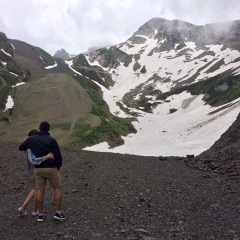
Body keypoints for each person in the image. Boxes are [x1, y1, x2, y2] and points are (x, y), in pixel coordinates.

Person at [19, 121, 65, 222]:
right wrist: (58, 166)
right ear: (48, 129)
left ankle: (40, 214)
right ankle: (58, 213)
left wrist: (30, 144)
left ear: (39, 128)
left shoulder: (31, 140)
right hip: (51, 167)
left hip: (38, 169)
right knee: (57, 188)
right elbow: (58, 155)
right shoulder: (51, 140)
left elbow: (21, 147)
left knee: (39, 190)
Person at [18, 129, 54, 217]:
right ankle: (23, 207)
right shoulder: (30, 147)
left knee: (37, 189)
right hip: (35, 170)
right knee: (37, 190)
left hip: (34, 170)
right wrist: (46, 157)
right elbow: (33, 160)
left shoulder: (29, 145)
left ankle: (35, 210)